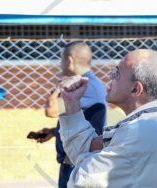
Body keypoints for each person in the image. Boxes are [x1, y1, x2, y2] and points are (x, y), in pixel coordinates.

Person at [58, 49, 157, 187]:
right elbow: (83, 150)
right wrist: (71, 102)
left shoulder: (144, 131)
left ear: (135, 89)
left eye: (117, 73)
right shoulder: (155, 122)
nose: (110, 76)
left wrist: (91, 156)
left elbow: (81, 180)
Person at [28, 41, 107, 188]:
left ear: (69, 60)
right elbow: (81, 118)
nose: (60, 63)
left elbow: (50, 110)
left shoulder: (83, 85)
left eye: (62, 58)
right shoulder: (90, 83)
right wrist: (55, 132)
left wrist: (59, 88)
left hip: (77, 163)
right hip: (75, 162)